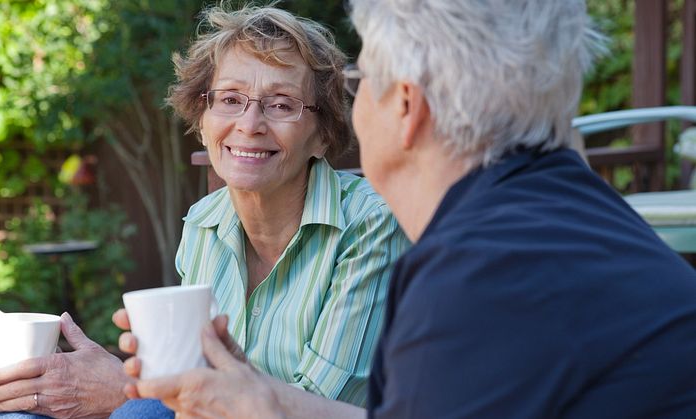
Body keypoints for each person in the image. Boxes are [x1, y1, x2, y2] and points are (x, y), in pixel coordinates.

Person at [119, 0, 696, 417]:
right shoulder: (566, 210)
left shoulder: (474, 278)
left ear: (406, 107)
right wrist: (259, 396)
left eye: (362, 78)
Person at [0, 5, 409, 418]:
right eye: (230, 99)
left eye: (281, 105)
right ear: (203, 119)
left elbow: (315, 404)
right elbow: (188, 377)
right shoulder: (203, 225)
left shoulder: (370, 223)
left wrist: (124, 387)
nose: (250, 125)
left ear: (322, 135)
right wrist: (86, 377)